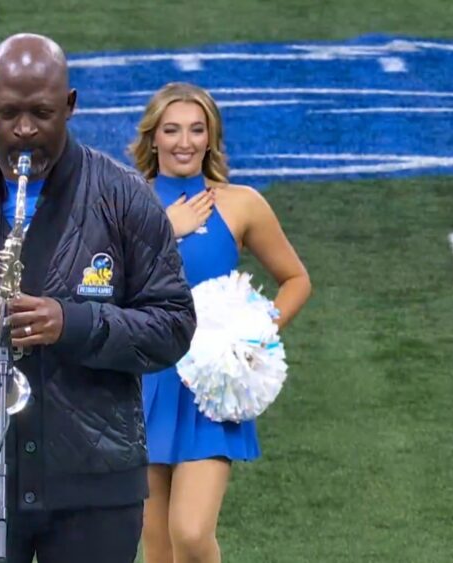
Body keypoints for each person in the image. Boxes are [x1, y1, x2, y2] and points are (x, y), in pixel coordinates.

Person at [0, 34, 196, 563]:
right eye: (9, 113)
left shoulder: (124, 197)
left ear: (71, 106)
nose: (25, 129)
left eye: (42, 113)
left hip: (96, 488)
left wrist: (71, 324)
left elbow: (173, 325)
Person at [128, 82, 311, 563]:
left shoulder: (241, 202)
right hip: (143, 385)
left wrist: (257, 336)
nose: (183, 142)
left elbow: (295, 279)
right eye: (171, 130)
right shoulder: (126, 201)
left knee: (190, 533)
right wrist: (165, 229)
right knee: (158, 544)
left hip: (211, 389)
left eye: (195, 130)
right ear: (153, 138)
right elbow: (105, 283)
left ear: (210, 138)